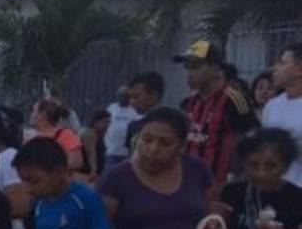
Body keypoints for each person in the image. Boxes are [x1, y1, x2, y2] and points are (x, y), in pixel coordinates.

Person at [177, 40, 258, 185]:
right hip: (188, 183)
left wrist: (235, 181)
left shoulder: (234, 101)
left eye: (195, 67)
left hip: (221, 185)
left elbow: (250, 143)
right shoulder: (189, 103)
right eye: (187, 68)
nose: (189, 74)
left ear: (215, 68)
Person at [262, 43, 302, 187]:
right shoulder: (272, 106)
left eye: (282, 63)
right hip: (274, 189)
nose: (274, 68)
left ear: (299, 70)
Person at [121, 71, 166, 168]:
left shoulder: (172, 127)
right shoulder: (133, 126)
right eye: (130, 97)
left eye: (136, 97)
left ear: (154, 95)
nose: (132, 102)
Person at [31, 99, 84, 173]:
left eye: (33, 111)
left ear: (43, 114)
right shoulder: (32, 137)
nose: (31, 115)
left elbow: (77, 162)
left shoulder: (66, 134)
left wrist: (48, 167)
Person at [102, 85, 139, 170]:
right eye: (120, 95)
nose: (122, 97)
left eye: (125, 95)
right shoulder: (111, 108)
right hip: (111, 151)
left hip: (127, 153)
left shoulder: (134, 110)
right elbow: (104, 125)